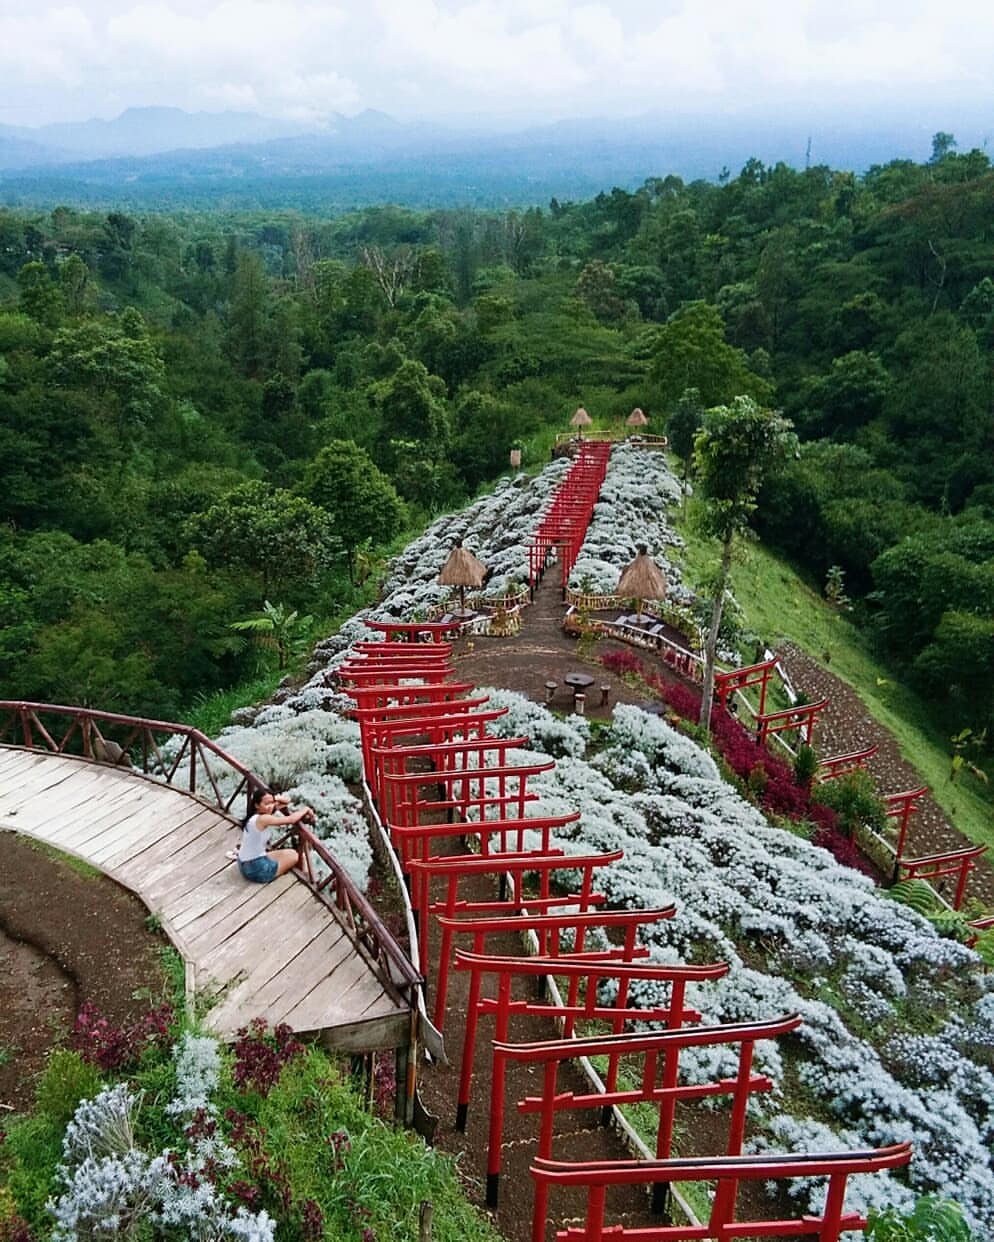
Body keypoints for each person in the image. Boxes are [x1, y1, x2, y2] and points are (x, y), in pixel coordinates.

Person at [237, 788, 312, 883]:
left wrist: (272, 799)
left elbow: (287, 801)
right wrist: (306, 809)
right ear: (257, 805)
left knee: (293, 852)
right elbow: (291, 820)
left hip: (244, 863)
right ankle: (308, 878)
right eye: (266, 804)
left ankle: (306, 875)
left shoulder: (254, 816)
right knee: (296, 857)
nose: (270, 807)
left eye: (271, 803)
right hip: (256, 870)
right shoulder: (263, 819)